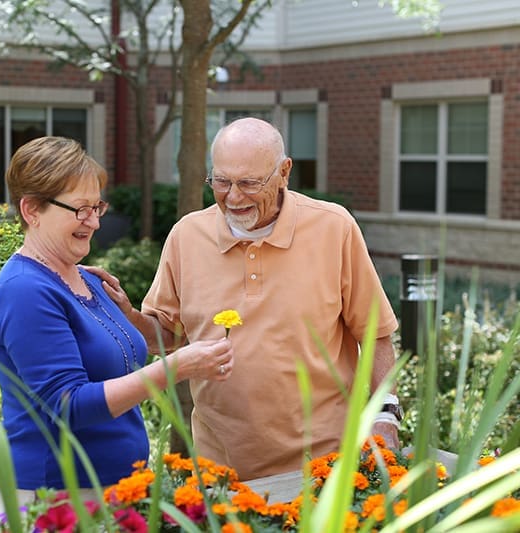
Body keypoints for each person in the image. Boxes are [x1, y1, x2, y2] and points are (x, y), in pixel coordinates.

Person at [94, 117, 400, 482]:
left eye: (249, 183)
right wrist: (128, 314)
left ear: (284, 172)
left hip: (323, 466)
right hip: (222, 469)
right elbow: (167, 337)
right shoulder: (187, 236)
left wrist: (385, 414)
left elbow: (375, 332)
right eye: (221, 182)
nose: (233, 197)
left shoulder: (334, 228)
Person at [0, 136, 234, 514]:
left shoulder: (85, 278)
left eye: (97, 206)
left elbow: (121, 355)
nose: (95, 221)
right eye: (80, 209)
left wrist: (130, 316)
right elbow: (68, 404)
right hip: (55, 496)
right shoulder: (26, 290)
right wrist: (177, 368)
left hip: (113, 488)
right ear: (31, 209)